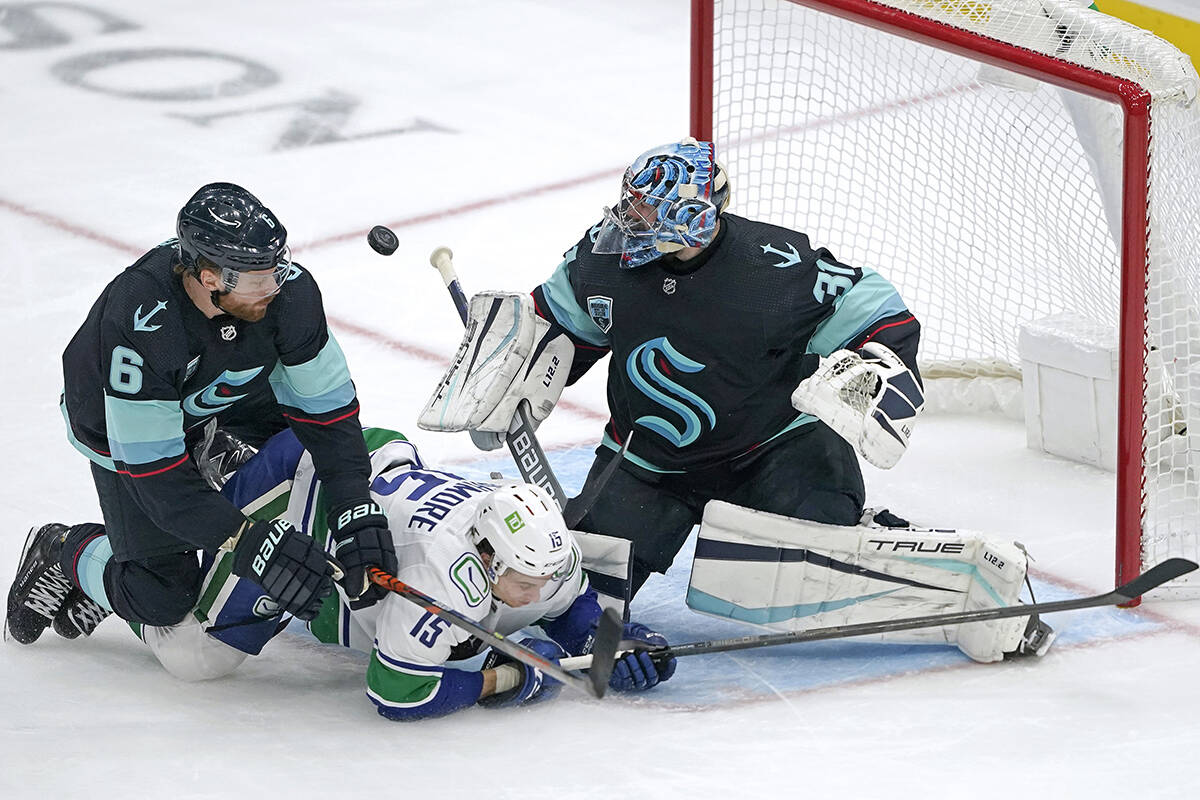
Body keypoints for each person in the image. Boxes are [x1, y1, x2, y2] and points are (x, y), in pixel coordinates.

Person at [418, 137, 926, 597]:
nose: (626, 221)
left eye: (645, 213)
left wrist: (879, 370)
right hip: (648, 462)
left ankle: (853, 527)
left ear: (693, 219)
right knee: (574, 593)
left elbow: (878, 311)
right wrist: (509, 376)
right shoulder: (600, 259)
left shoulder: (775, 269)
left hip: (774, 449)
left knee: (815, 571)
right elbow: (560, 327)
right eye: (630, 204)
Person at [5, 182, 397, 646]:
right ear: (210, 278)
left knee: (304, 454)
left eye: (278, 265)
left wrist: (353, 502)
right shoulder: (143, 322)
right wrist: (248, 540)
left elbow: (329, 413)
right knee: (163, 597)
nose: (274, 285)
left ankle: (214, 450)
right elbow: (160, 477)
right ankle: (66, 550)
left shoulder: (289, 294)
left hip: (226, 388)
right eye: (257, 278)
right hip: (117, 428)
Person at [126, 427, 677, 719]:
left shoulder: (535, 550)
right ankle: (90, 553)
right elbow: (397, 695)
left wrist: (614, 641)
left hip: (366, 468)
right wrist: (513, 678)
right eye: (526, 583)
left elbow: (569, 603)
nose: (539, 593)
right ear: (484, 557)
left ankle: (234, 458)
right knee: (197, 656)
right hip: (298, 499)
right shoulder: (441, 578)